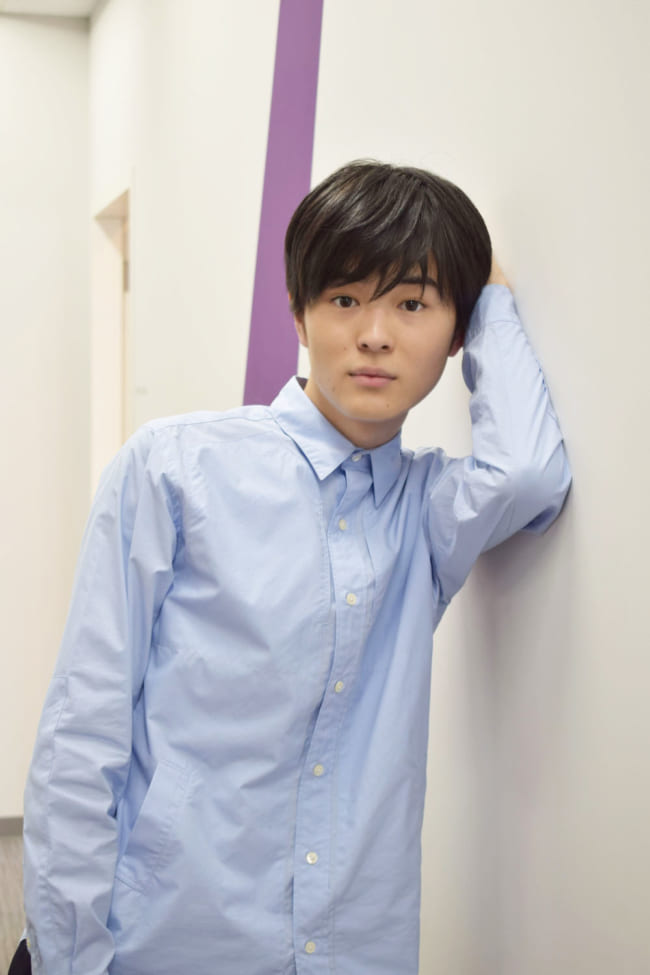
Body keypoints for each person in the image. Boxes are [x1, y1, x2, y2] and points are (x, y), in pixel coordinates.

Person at [17, 160, 571, 975]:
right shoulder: (175, 469)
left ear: (455, 334)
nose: (374, 334)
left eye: (413, 304)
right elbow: (82, 733)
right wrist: (70, 958)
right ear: (298, 311)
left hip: (355, 950)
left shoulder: (424, 513)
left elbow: (528, 473)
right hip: (167, 943)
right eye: (344, 299)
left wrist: (487, 296)